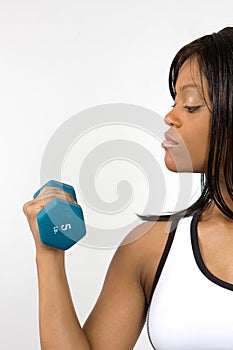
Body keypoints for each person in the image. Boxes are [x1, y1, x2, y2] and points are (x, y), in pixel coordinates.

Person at [23, 27, 233, 350]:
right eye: (174, 101)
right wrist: (48, 256)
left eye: (190, 105)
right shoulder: (151, 247)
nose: (170, 116)